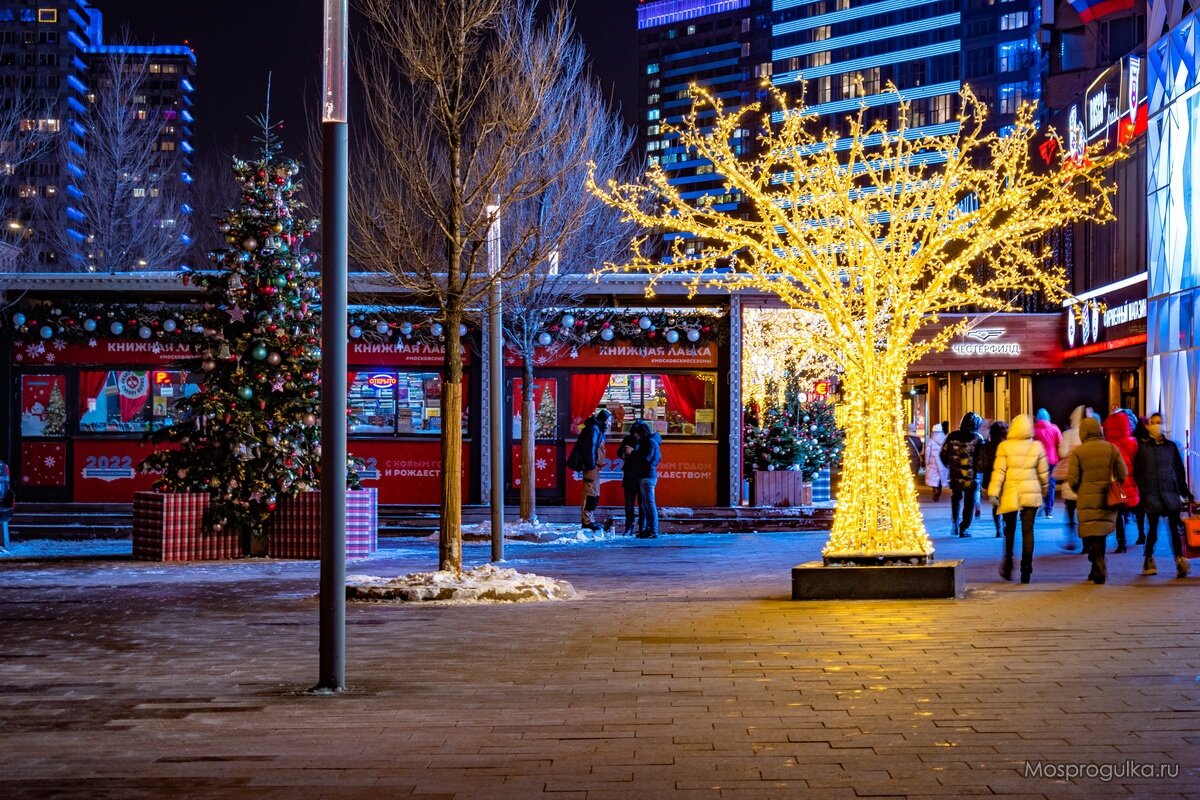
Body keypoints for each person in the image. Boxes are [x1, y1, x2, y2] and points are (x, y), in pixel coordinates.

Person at [988, 414, 1049, 583]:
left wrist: (993, 492)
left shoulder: (1004, 446)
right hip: (1031, 492)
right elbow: (1043, 474)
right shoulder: (1037, 446)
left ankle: (1008, 564)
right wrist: (1044, 490)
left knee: (1010, 531)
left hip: (1011, 493)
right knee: (1028, 531)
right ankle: (1026, 569)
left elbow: (999, 472)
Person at [1066, 416, 1127, 584]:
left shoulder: (1079, 452)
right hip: (1107, 498)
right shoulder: (1112, 449)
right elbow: (1123, 473)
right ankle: (1098, 564)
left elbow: (1072, 479)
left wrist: (1081, 490)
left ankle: (1096, 563)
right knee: (1101, 533)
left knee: (1092, 533)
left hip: (1086, 498)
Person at [1133, 412, 1194, 578]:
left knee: (1175, 530)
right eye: (1154, 422)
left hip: (1170, 493)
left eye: (1160, 422)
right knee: (1152, 529)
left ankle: (1180, 559)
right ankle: (1148, 557)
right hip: (1151, 495)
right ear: (1148, 425)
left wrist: (1185, 493)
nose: (1157, 425)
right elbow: (1137, 472)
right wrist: (1143, 490)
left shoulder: (1171, 447)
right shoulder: (1143, 447)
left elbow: (1179, 472)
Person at [1102, 410, 1140, 554]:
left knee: (1118, 515)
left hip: (1116, 485)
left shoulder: (1108, 444)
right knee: (1132, 511)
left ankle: (1121, 542)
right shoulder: (1133, 442)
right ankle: (1141, 534)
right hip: (1131, 483)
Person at [941, 413, 984, 537]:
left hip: (955, 473)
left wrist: (950, 465)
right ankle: (964, 527)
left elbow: (943, 453)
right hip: (971, 476)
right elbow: (980, 458)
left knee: (956, 497)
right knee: (969, 501)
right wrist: (979, 470)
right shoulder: (977, 438)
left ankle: (955, 522)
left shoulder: (952, 436)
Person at [567, 409, 611, 530]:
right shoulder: (594, 429)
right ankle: (586, 520)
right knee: (590, 492)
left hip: (594, 466)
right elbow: (589, 448)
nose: (610, 423)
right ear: (604, 420)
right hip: (592, 466)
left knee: (594, 493)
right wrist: (591, 465)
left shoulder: (597, 429)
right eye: (609, 420)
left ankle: (589, 519)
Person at [1056, 405, 1089, 550]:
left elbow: (1062, 453)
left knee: (1070, 510)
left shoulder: (1068, 434)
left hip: (1071, 478)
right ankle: (1086, 543)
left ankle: (1071, 538)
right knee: (1084, 513)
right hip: (1086, 478)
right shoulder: (1089, 433)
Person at [978, 420, 1008, 537]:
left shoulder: (986, 447)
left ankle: (998, 529)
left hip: (991, 478)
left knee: (995, 504)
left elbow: (981, 465)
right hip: (1006, 477)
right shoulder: (1008, 446)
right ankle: (1005, 525)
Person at [631, 420, 662, 538]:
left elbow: (646, 459)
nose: (635, 436)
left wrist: (634, 453)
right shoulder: (651, 442)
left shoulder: (650, 442)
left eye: (637, 434)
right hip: (646, 475)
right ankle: (650, 529)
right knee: (646, 504)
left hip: (648, 476)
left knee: (649, 504)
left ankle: (653, 530)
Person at [1033, 409, 1065, 518]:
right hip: (1052, 460)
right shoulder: (1054, 429)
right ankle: (1049, 510)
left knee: (1038, 484)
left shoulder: (1033, 430)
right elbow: (1060, 443)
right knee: (1051, 484)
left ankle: (1040, 505)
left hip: (1038, 460)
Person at [619, 423, 645, 536]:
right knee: (630, 503)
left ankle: (641, 526)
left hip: (640, 474)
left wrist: (632, 452)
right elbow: (619, 452)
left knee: (641, 503)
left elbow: (645, 457)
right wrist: (625, 452)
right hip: (630, 474)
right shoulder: (627, 440)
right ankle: (630, 525)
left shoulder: (646, 441)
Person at [1131, 415, 1151, 545]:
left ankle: (1141, 533)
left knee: (1139, 509)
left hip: (1137, 477)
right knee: (1149, 507)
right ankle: (1149, 532)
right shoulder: (1150, 438)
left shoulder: (1133, 438)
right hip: (1148, 477)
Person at [925, 421, 949, 501]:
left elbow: (927, 452)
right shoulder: (945, 439)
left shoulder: (931, 441)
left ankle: (935, 489)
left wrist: (927, 462)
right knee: (941, 476)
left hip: (933, 461)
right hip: (942, 460)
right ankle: (939, 490)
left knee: (933, 476)